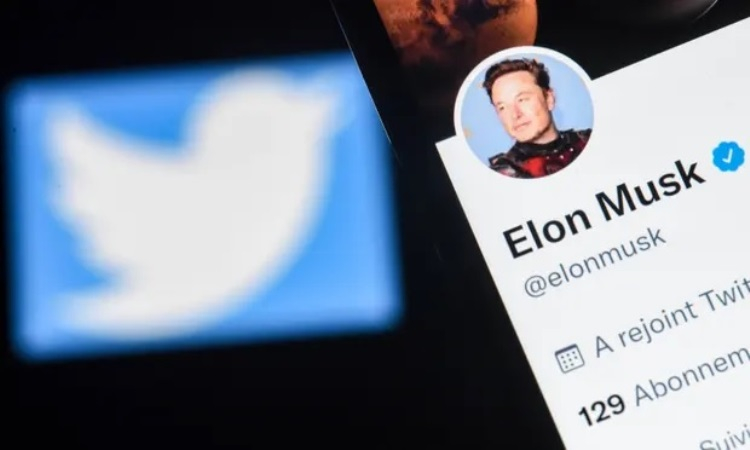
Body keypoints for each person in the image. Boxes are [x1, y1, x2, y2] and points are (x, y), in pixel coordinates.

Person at [482, 57, 591, 178]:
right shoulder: (502, 175)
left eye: (522, 100)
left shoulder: (589, 139)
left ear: (549, 98)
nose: (515, 114)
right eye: (502, 107)